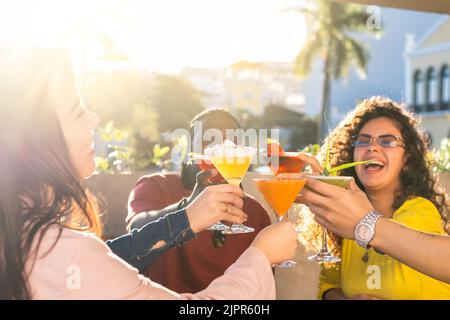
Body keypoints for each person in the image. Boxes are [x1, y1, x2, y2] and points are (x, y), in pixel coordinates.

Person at [0, 47, 298, 299]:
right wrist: (259, 256)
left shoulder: (24, 233)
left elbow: (103, 260)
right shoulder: (67, 247)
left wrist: (187, 220)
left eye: (231, 141)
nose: (94, 118)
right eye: (78, 110)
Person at [299, 97, 450, 299]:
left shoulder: (420, 210)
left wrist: (363, 224)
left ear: (406, 159)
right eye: (363, 141)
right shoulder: (343, 220)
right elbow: (328, 287)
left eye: (387, 141)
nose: (372, 147)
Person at [125, 109, 273, 293]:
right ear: (189, 149)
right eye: (210, 140)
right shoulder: (156, 187)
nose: (221, 149)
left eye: (231, 142)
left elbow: (263, 284)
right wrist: (188, 208)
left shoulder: (256, 213)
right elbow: (134, 234)